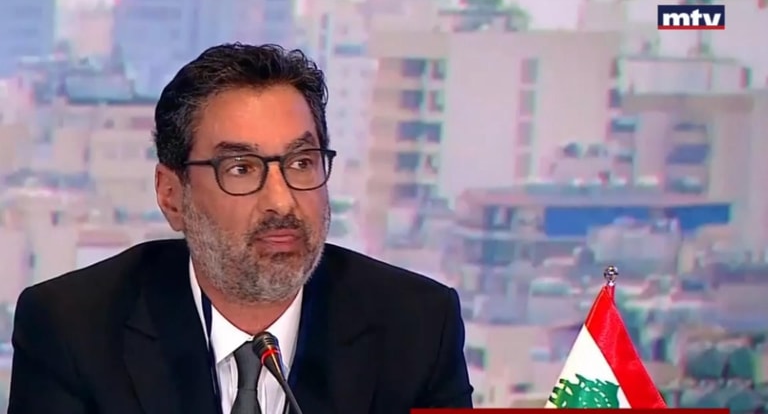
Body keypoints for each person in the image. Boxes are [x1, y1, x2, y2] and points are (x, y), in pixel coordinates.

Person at [8, 43, 473, 414]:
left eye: (302, 162)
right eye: (241, 169)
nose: (282, 201)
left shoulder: (417, 326)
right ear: (172, 196)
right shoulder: (73, 329)